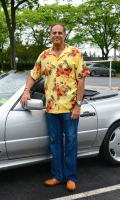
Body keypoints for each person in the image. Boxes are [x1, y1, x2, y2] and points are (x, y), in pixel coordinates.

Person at [20, 23, 89, 191]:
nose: (57, 35)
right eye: (54, 33)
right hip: (51, 108)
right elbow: (33, 75)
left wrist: (78, 105)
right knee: (55, 142)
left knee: (71, 142)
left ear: (65, 35)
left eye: (60, 32)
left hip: (70, 108)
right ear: (50, 35)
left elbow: (81, 80)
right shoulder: (44, 55)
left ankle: (71, 177)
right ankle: (57, 176)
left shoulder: (75, 53)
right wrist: (26, 91)